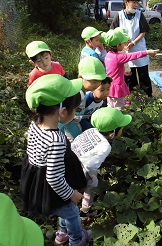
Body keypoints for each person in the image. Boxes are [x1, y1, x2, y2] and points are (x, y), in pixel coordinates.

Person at [20, 74, 92, 246]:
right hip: (49, 187)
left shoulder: (36, 123)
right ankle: (76, 240)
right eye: (74, 109)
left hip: (35, 177)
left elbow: (39, 147)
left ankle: (61, 233)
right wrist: (72, 193)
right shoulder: (56, 140)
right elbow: (53, 177)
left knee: (64, 210)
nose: (75, 112)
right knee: (72, 212)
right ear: (63, 112)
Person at [71, 107, 132, 218]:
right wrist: (91, 177)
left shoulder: (91, 130)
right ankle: (85, 211)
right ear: (111, 134)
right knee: (92, 185)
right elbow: (91, 166)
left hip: (70, 161)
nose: (123, 130)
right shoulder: (105, 146)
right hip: (80, 170)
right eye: (121, 129)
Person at [103, 27, 158, 109]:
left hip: (109, 85)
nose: (125, 44)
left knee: (110, 105)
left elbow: (114, 69)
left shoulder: (108, 55)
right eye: (123, 43)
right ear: (118, 46)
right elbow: (133, 55)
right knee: (119, 106)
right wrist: (147, 52)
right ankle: (119, 120)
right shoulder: (118, 57)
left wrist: (122, 71)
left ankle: (110, 118)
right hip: (117, 86)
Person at [110, 0, 154, 97]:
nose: (136, 5)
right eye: (133, 2)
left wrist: (133, 42)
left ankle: (148, 98)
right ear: (126, 2)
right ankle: (132, 99)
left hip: (139, 48)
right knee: (130, 78)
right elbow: (113, 33)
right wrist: (122, 42)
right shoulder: (119, 16)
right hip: (125, 51)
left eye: (137, 3)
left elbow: (143, 32)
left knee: (144, 77)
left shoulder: (139, 15)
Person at [60, 56, 108, 139]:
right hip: (68, 122)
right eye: (93, 81)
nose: (96, 85)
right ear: (80, 77)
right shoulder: (78, 93)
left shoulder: (81, 90)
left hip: (73, 120)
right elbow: (66, 115)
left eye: (99, 81)